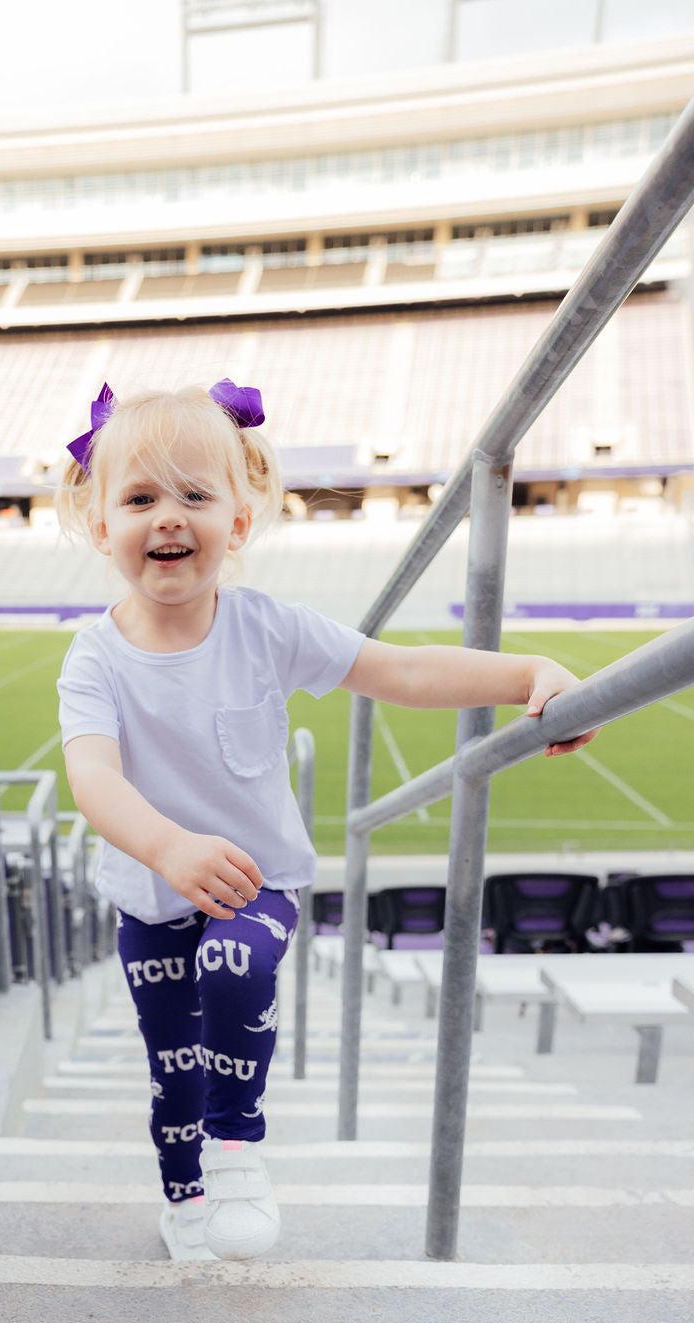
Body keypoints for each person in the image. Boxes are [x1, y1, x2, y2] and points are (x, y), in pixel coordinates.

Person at [54, 380, 598, 1264]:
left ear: (238, 518)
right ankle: (186, 1195)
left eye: (196, 494)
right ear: (99, 521)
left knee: (235, 965)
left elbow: (406, 673)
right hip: (149, 893)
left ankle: (238, 1154)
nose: (169, 518)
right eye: (141, 498)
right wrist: (168, 845)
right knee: (173, 1071)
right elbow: (92, 776)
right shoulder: (95, 657)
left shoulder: (269, 628)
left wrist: (528, 671)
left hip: (257, 880)